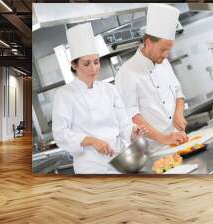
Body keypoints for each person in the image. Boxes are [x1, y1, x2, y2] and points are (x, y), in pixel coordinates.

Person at [52, 23, 145, 174]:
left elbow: (124, 124)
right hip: (90, 166)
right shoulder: (64, 95)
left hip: (120, 161)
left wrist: (134, 132)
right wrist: (92, 141)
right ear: (74, 65)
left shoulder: (109, 89)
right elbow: (60, 134)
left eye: (96, 62)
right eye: (86, 64)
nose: (94, 69)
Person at [115, 3, 188, 150]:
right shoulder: (126, 72)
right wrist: (163, 138)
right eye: (162, 49)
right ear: (147, 43)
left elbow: (178, 92)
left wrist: (178, 113)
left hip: (178, 140)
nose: (166, 55)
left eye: (169, 49)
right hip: (154, 149)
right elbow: (132, 116)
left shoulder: (164, 63)